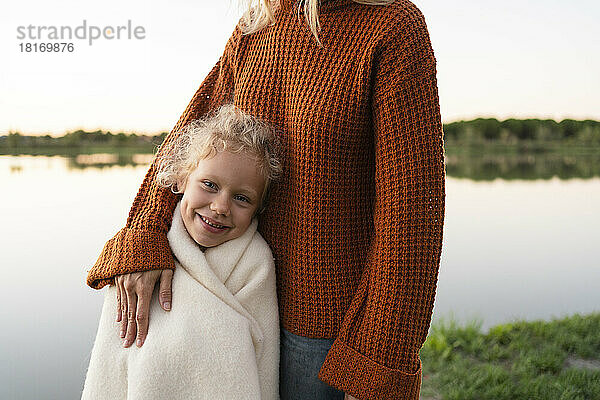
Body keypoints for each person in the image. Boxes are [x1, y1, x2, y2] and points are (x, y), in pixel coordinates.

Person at [85, 0, 446, 399]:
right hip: (236, 301)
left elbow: (413, 216)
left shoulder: (393, 28)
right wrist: (144, 232)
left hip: (323, 332)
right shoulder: (255, 26)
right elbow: (190, 138)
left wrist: (380, 357)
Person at [82, 105, 282, 400]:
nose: (220, 207)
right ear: (180, 180)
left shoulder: (255, 263)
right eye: (209, 185)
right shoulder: (142, 252)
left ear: (258, 209)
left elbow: (264, 364)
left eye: (242, 198)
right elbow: (111, 358)